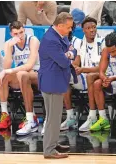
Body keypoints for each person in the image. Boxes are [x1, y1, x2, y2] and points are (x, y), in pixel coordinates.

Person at [38, 12, 77, 159]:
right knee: (53, 118)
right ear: (59, 25)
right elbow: (64, 61)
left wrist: (69, 53)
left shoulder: (59, 36)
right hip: (51, 82)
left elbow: (73, 49)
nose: (70, 30)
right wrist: (68, 55)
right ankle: (49, 150)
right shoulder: (51, 40)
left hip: (56, 80)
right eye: (68, 27)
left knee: (55, 116)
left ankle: (53, 143)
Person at [60, 17, 105, 132]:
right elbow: (77, 62)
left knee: (90, 77)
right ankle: (70, 116)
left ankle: (92, 116)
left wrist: (83, 69)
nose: (92, 30)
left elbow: (102, 67)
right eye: (89, 28)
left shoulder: (102, 42)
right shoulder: (80, 43)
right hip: (84, 76)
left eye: (94, 27)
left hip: (99, 76)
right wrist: (73, 67)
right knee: (63, 77)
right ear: (83, 30)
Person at [0, 21, 40, 136]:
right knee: (3, 78)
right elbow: (6, 67)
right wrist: (9, 48)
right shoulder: (8, 44)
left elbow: (30, 65)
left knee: (21, 74)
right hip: (22, 76)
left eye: (21, 32)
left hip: (38, 75)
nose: (19, 36)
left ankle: (32, 117)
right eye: (16, 34)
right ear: (11, 34)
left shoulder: (33, 40)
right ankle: (4, 114)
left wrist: (9, 71)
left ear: (24, 30)